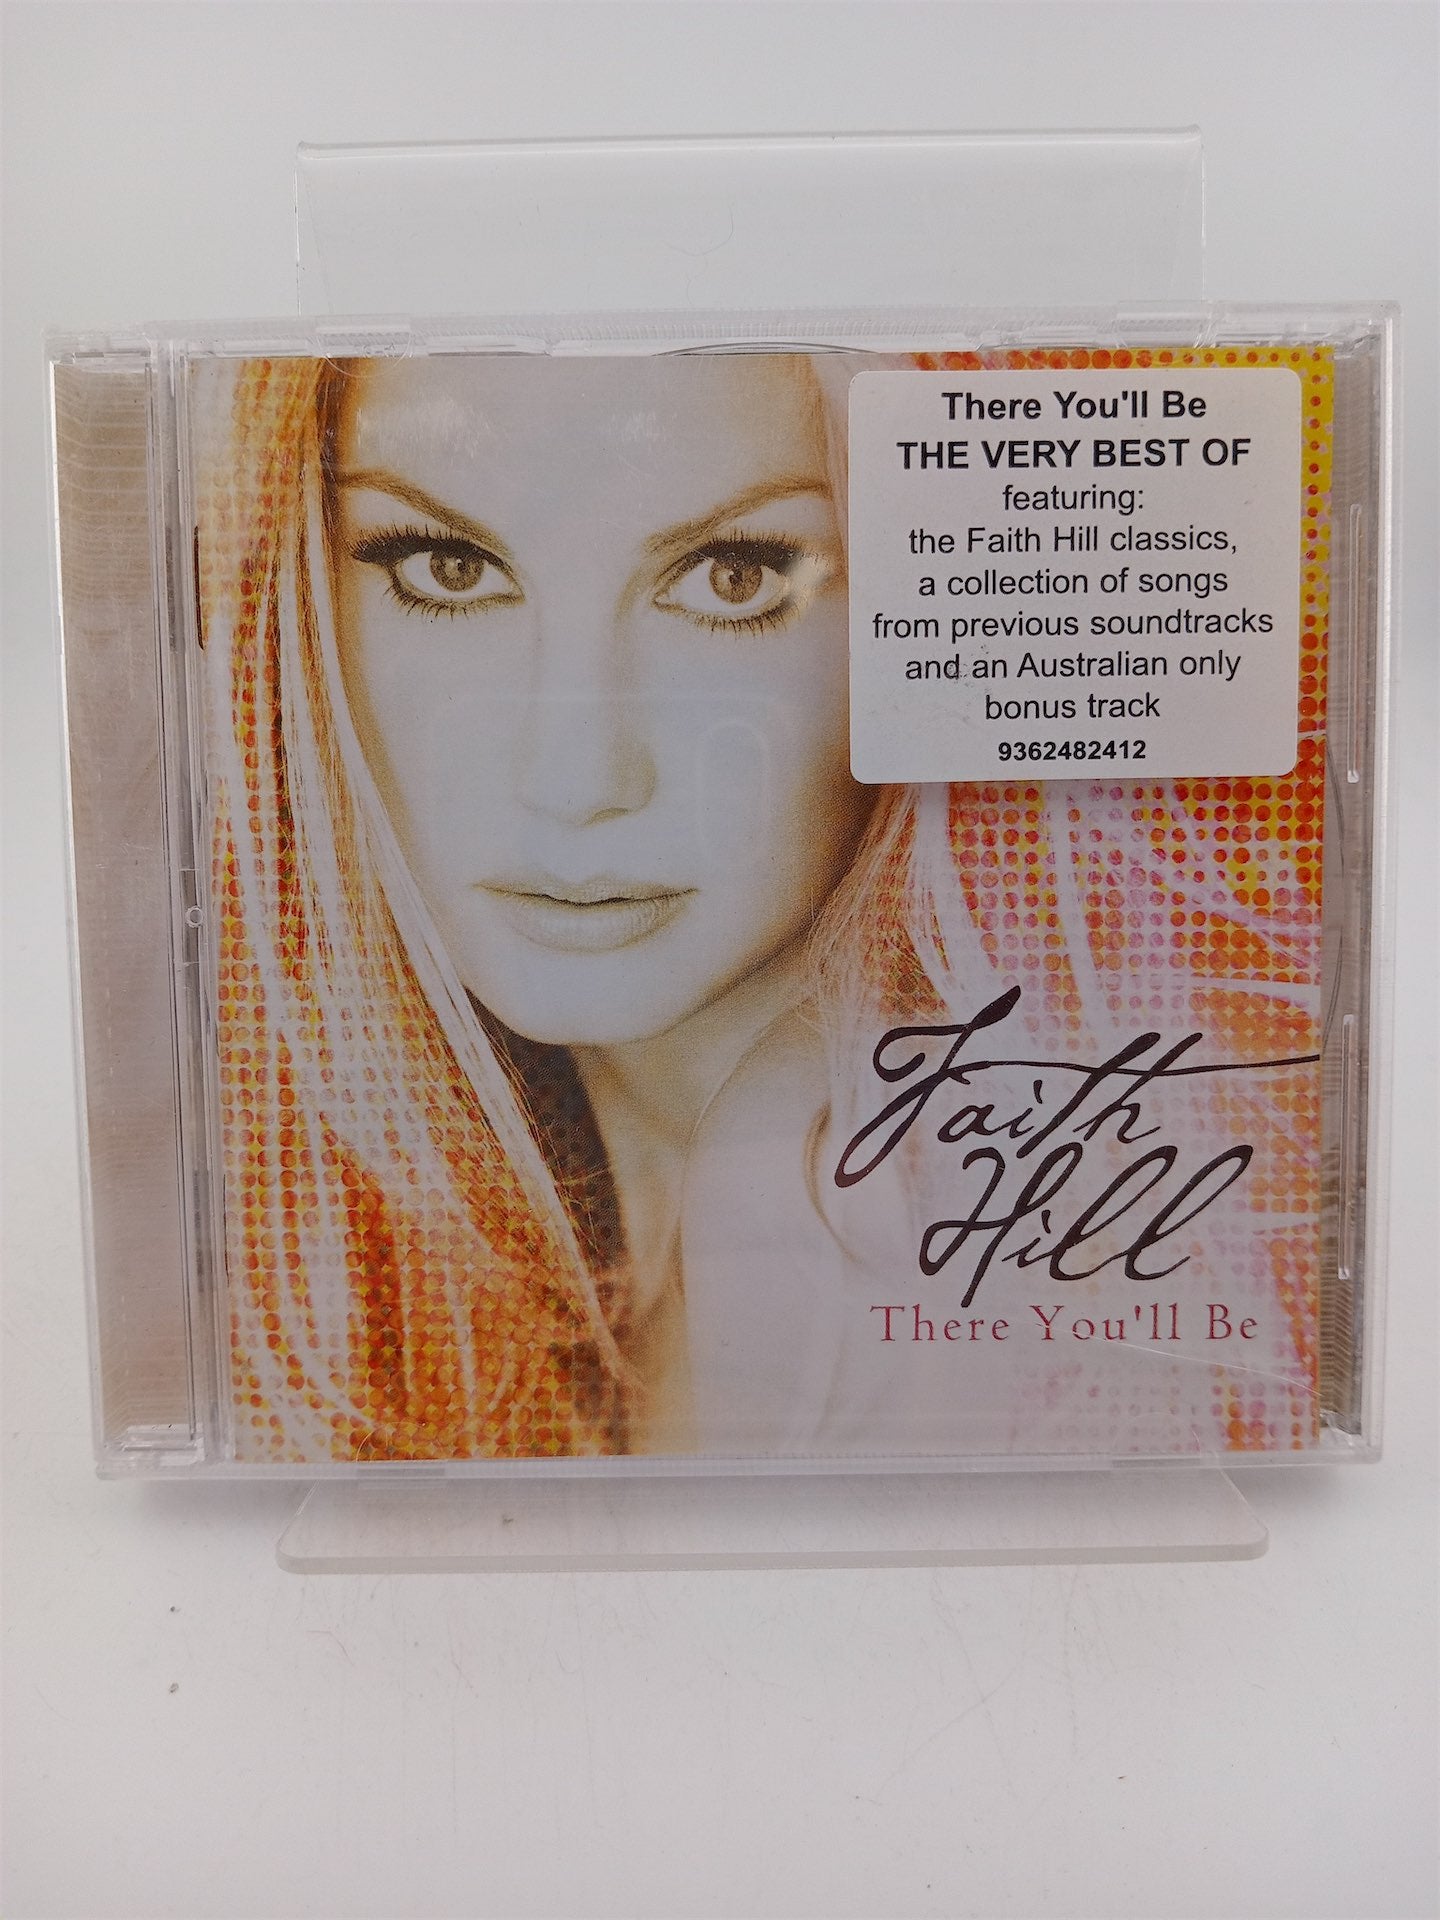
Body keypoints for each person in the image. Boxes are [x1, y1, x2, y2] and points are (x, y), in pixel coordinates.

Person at [195, 346, 1326, 1465]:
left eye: (733, 578)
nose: (576, 779)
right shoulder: (481, 1232)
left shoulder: (849, 1209)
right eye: (447, 569)